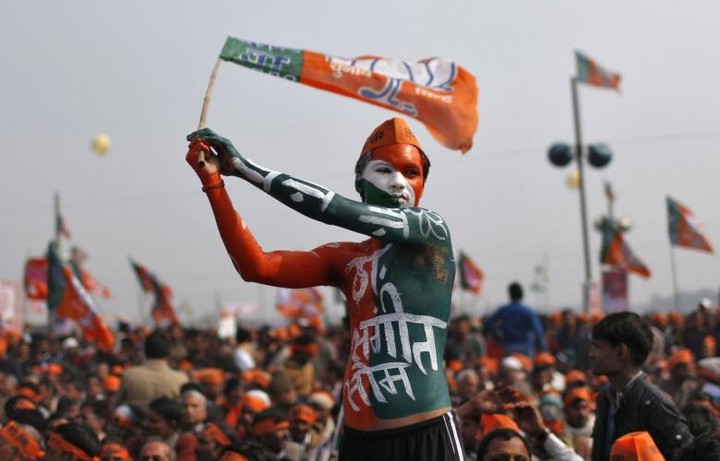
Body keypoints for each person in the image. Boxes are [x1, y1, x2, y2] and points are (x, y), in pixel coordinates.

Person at [186, 117, 461, 460]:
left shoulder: (432, 231)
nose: (398, 183)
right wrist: (213, 183)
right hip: (358, 441)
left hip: (425, 437)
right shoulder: (345, 259)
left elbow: (333, 209)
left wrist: (244, 168)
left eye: (411, 173)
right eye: (384, 170)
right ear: (360, 183)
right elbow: (256, 266)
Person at [589, 312, 693, 461]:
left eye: (597, 347)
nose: (591, 354)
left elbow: (686, 454)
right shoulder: (605, 398)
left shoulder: (655, 405)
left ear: (621, 352)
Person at [116, 330, 189, 411]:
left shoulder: (129, 375)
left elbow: (117, 404)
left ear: (145, 351)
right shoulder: (180, 379)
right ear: (168, 353)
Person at [484, 283, 547, 357]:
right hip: (526, 347)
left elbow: (488, 323)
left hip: (509, 346)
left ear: (510, 295)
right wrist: (542, 349)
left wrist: (497, 335)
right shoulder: (529, 311)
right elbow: (538, 331)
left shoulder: (504, 310)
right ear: (522, 294)